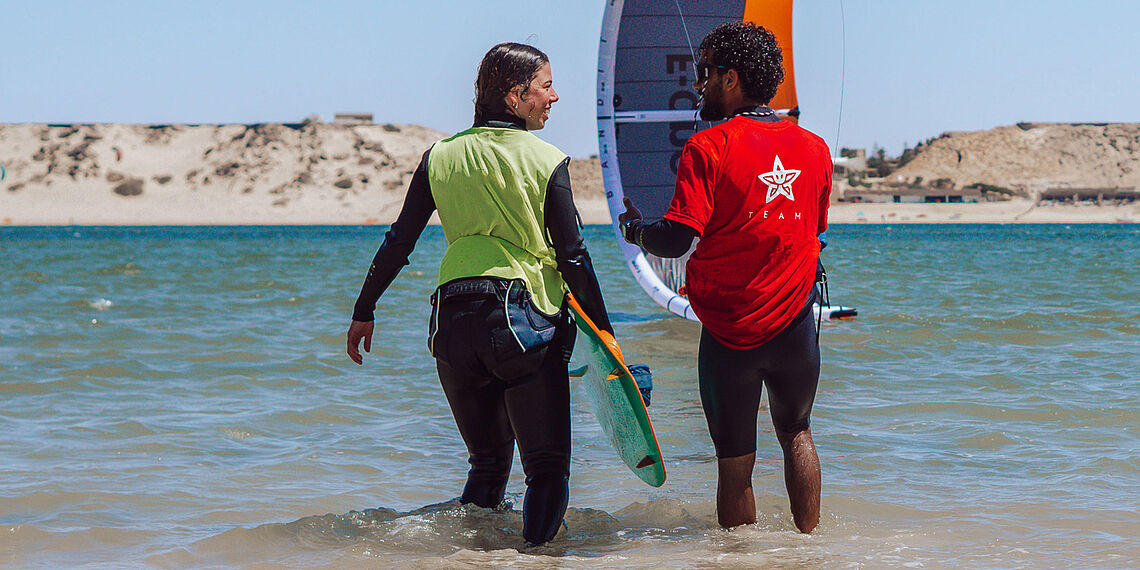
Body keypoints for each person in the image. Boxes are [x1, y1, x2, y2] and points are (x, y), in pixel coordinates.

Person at [346, 42, 613, 546]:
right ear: (515, 95)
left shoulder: (440, 156)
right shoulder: (546, 159)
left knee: (487, 465)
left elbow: (400, 239)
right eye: (546, 86)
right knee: (547, 469)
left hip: (451, 327)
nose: (555, 97)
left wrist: (364, 310)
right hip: (521, 325)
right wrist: (606, 335)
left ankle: (471, 556)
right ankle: (535, 558)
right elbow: (573, 256)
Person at [618, 22, 831, 533]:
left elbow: (675, 239)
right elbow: (813, 232)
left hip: (730, 330)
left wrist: (635, 230)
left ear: (731, 78)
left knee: (735, 460)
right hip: (795, 325)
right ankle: (811, 551)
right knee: (798, 433)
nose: (699, 84)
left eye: (705, 72)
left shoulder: (708, 146)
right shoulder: (815, 147)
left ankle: (738, 560)